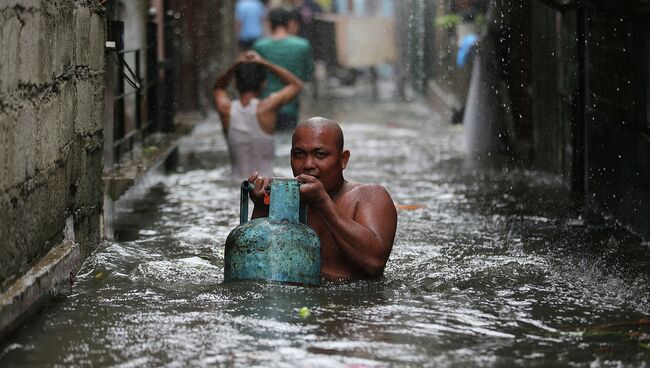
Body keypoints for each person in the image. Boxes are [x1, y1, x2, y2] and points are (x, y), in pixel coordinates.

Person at [247, 117, 398, 280]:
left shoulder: (368, 196)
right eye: (299, 154)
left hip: (351, 302)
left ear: (343, 160)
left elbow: (374, 263)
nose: (308, 164)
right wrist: (262, 207)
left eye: (320, 154)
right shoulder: (285, 201)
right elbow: (253, 265)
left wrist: (323, 203)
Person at [213, 51, 303, 183]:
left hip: (236, 187)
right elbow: (296, 85)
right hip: (266, 187)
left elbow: (218, 86)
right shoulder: (267, 108)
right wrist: (265, 63)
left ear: (235, 84)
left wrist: (235, 66)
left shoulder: (225, 110)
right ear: (263, 84)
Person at [253, 7, 313, 131]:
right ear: (289, 23)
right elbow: (308, 73)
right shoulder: (302, 45)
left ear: (269, 23)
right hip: (290, 106)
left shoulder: (259, 46)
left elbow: (253, 77)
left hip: (265, 106)